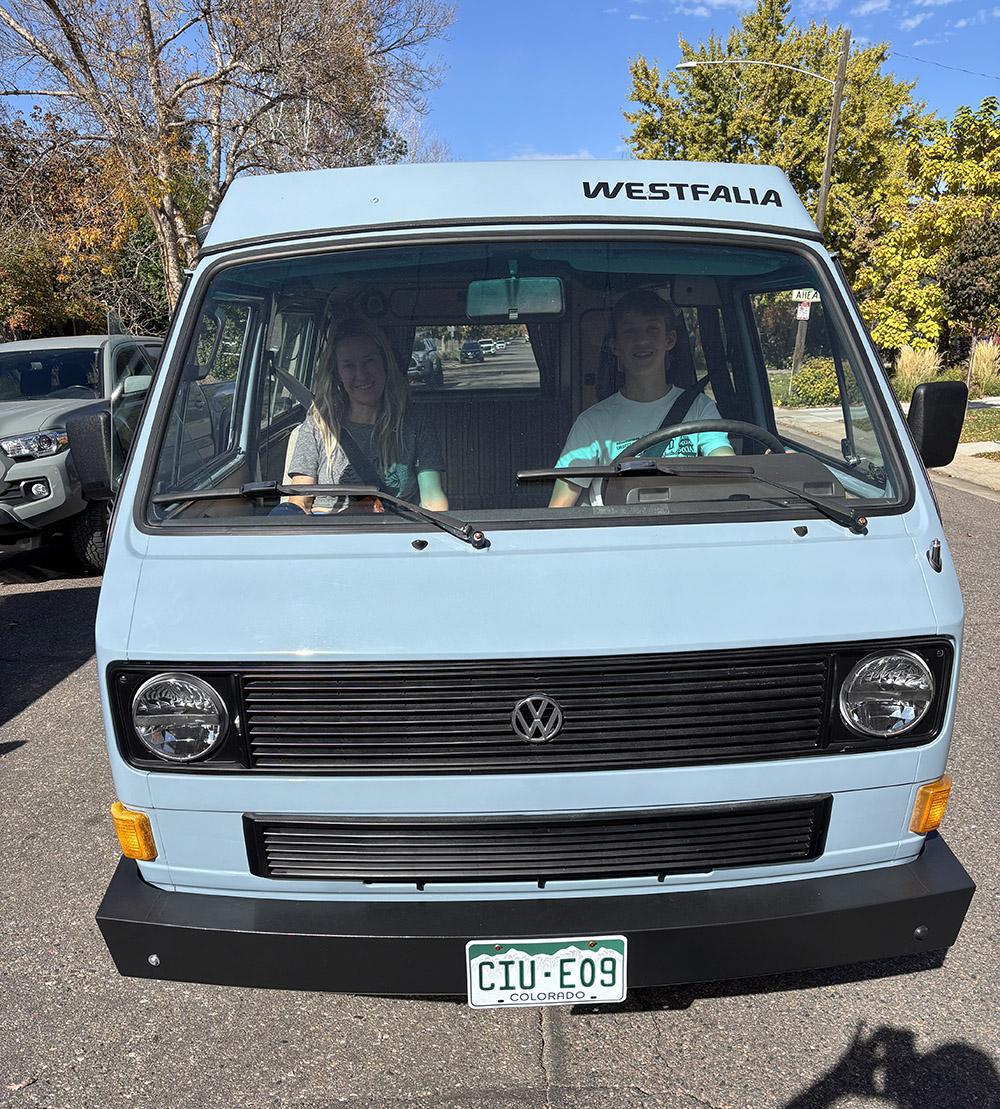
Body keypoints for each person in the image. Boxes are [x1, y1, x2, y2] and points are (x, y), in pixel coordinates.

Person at [549, 289, 735, 507]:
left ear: (670, 339)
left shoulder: (700, 409)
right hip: (613, 533)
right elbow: (558, 510)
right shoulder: (591, 423)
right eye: (629, 331)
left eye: (652, 328)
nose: (642, 339)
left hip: (684, 530)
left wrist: (768, 466)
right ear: (615, 345)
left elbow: (727, 467)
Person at [285, 318, 448, 514]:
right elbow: (300, 501)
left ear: (385, 364)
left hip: (397, 533)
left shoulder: (415, 424)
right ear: (337, 373)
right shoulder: (318, 424)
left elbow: (433, 500)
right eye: (349, 366)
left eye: (369, 361)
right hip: (329, 533)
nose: (361, 374)